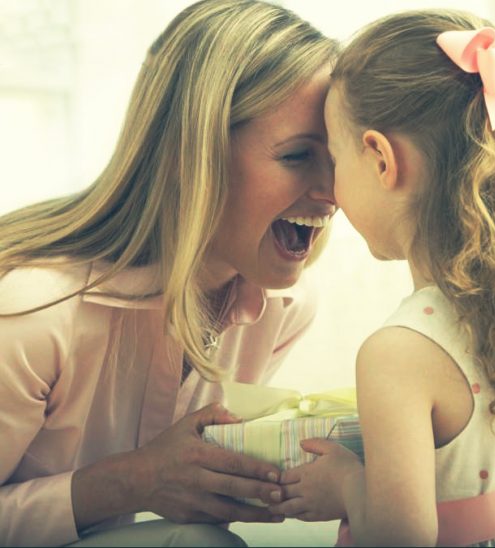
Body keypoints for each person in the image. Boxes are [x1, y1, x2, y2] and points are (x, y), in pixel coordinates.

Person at [268, 8, 495, 546]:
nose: (329, 190)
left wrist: (347, 484)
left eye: (335, 158)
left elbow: (400, 538)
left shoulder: (399, 355)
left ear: (380, 159)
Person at [0, 0, 337, 546]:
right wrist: (132, 482)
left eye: (340, 157)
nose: (333, 191)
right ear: (193, 151)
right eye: (299, 156)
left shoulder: (285, 308)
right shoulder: (33, 312)